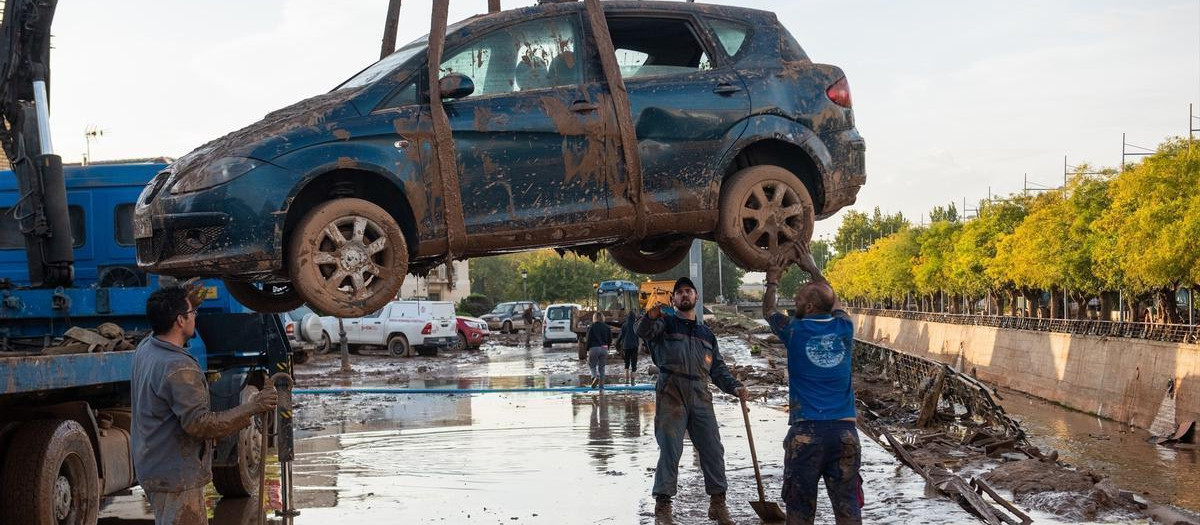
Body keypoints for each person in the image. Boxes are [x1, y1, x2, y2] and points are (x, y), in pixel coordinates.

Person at [132, 285, 278, 525]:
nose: (196, 316)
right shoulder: (179, 368)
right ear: (180, 320)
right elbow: (201, 425)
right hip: (176, 475)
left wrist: (189, 301)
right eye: (192, 313)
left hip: (154, 466)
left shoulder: (146, 349)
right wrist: (253, 406)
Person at [763, 242, 862, 525]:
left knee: (800, 512)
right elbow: (834, 300)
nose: (793, 305)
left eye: (796, 301)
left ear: (808, 306)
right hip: (845, 433)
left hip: (806, 433)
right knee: (848, 510)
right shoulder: (844, 328)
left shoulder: (794, 330)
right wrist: (812, 266)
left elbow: (768, 310)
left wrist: (772, 280)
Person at [636, 276, 748, 525]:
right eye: (680, 292)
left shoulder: (706, 334)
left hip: (700, 393)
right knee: (670, 450)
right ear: (674, 299)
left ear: (696, 298)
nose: (685, 295)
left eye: (689, 291)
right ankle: (663, 507)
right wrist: (651, 316)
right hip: (671, 392)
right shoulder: (663, 324)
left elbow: (717, 369)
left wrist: (735, 387)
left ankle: (718, 505)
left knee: (713, 449)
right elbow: (641, 331)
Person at [585, 312, 613, 388]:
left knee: (592, 365)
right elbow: (610, 339)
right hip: (604, 348)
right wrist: (608, 347)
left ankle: (595, 377)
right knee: (602, 368)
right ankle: (601, 387)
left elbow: (588, 339)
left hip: (594, 348)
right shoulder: (607, 327)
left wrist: (586, 349)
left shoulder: (591, 327)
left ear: (594, 318)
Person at [614, 310, 641, 385]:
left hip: (626, 346)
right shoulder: (636, 325)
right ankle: (633, 382)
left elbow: (620, 336)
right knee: (634, 364)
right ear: (634, 317)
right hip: (634, 346)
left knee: (626, 363)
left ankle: (626, 381)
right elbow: (640, 336)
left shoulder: (624, 325)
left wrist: (617, 345)